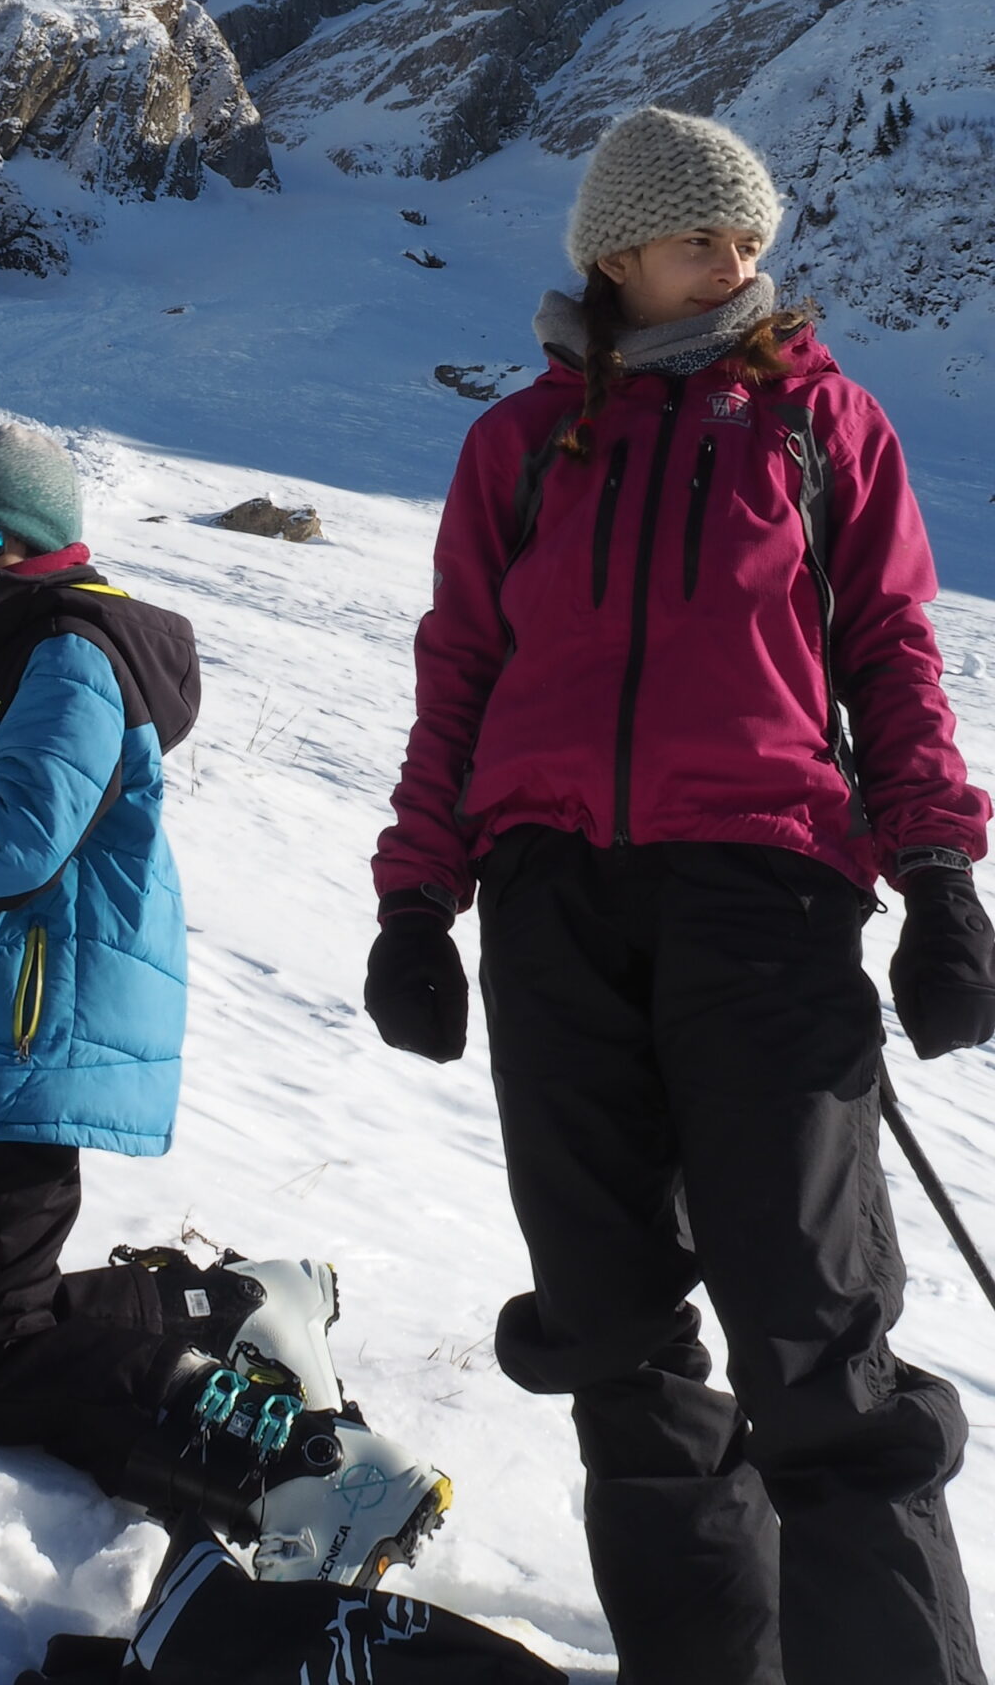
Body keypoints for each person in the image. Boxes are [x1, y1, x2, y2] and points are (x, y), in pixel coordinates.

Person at [363, 107, 995, 1685]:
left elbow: (891, 660)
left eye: (747, 236)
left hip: (765, 900)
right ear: (618, 255)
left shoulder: (816, 424)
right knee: (617, 1331)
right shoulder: (520, 447)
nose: (736, 263)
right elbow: (459, 679)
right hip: (551, 907)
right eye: (702, 237)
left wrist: (938, 875)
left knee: (815, 1334)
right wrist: (417, 904)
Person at [0, 420, 447, 1584]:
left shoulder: (66, 650)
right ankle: (221, 1305)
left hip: (24, 1039)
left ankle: (307, 1475)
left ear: (33, 535)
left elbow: (18, 843)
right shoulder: (10, 646)